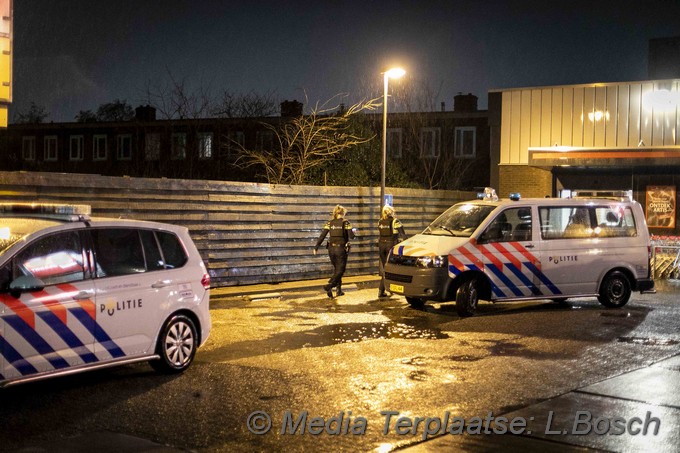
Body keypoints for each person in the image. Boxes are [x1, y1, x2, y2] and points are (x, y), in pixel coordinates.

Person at [314, 204, 355, 298]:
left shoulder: (330, 223)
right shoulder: (346, 223)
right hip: (340, 249)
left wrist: (316, 247)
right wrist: (353, 231)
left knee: (337, 269)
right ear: (343, 213)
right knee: (341, 270)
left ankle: (339, 290)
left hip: (331, 249)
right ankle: (330, 285)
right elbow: (352, 236)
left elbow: (322, 235)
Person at [377, 204, 406, 298]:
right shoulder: (395, 221)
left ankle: (384, 290)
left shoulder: (380, 221)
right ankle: (384, 290)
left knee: (386, 267)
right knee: (391, 268)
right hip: (391, 246)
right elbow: (403, 236)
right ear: (392, 212)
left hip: (381, 246)